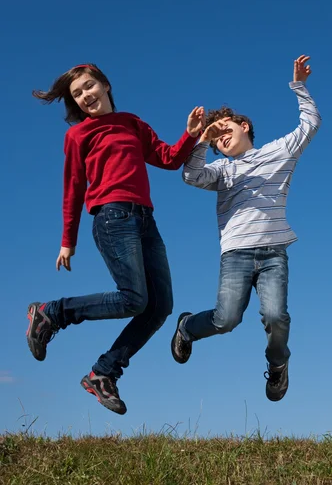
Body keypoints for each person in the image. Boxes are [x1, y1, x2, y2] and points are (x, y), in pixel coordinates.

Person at [26, 63, 204, 415]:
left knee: (160, 307)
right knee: (134, 298)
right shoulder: (77, 136)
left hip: (145, 221)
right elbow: (73, 188)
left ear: (105, 85)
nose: (85, 95)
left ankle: (103, 374)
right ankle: (52, 313)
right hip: (112, 217)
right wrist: (67, 239)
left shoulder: (132, 124)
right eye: (77, 93)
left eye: (89, 86)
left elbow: (167, 158)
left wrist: (190, 135)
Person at [171, 55, 321, 402]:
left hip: (273, 254)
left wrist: (299, 85)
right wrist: (201, 143)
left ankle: (278, 365)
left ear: (244, 126)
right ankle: (187, 327)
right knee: (226, 320)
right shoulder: (222, 171)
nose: (221, 137)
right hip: (236, 254)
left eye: (226, 129)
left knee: (275, 315)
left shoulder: (278, 152)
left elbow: (310, 123)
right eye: (216, 136)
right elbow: (192, 176)